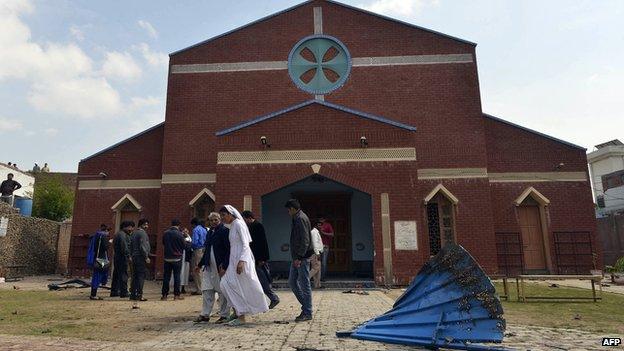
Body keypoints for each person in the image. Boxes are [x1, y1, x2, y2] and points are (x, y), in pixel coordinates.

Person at [219, 205, 269, 326]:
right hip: (234, 259)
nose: (222, 218)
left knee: (240, 286)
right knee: (226, 284)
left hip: (241, 259)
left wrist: (242, 261)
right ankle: (238, 312)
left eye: (223, 215)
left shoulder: (239, 224)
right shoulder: (232, 226)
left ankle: (241, 316)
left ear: (231, 214)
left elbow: (246, 244)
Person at [195, 212, 231, 323]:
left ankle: (224, 315)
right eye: (211, 220)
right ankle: (205, 314)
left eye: (216, 220)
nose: (214, 222)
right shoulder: (210, 232)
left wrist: (225, 265)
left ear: (219, 220)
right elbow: (207, 250)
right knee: (207, 290)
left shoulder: (224, 231)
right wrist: (200, 264)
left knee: (222, 291)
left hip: (220, 267)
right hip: (209, 266)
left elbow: (228, 250)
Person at [242, 210, 280, 309]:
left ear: (249, 218)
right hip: (254, 258)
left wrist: (262, 258)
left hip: (259, 258)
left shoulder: (257, 226)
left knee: (262, 280)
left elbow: (262, 243)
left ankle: (273, 297)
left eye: (245, 219)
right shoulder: (251, 226)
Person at [285, 199, 313, 322]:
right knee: (292, 282)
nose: (287, 212)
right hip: (296, 257)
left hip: (302, 257)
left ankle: (307, 311)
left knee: (304, 284)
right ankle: (306, 307)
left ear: (293, 208)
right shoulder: (297, 217)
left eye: (288, 210)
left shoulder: (301, 218)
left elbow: (305, 240)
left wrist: (300, 257)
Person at [162, 219, 187, 300]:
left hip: (167, 258)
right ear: (178, 225)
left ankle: (164, 295)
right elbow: (184, 246)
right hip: (177, 258)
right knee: (177, 276)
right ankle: (176, 295)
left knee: (166, 277)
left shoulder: (166, 233)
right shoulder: (180, 234)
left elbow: (163, 243)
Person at [110, 221, 134, 298]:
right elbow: (124, 247)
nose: (131, 229)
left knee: (116, 274)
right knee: (124, 275)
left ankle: (114, 291)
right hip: (122, 258)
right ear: (125, 227)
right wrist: (128, 256)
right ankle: (124, 292)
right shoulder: (123, 235)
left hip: (117, 257)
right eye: (130, 227)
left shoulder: (118, 234)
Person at [86, 225, 110, 300]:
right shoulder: (103, 237)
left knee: (95, 276)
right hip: (101, 259)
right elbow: (105, 247)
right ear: (106, 230)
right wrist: (109, 242)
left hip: (95, 258)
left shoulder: (95, 236)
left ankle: (93, 293)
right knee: (98, 276)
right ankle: (93, 294)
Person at [130, 218, 151, 301]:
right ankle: (139, 295)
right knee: (141, 276)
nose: (147, 226)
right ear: (141, 225)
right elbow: (142, 246)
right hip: (140, 257)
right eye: (145, 224)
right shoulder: (142, 233)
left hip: (134, 257)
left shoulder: (134, 233)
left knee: (134, 276)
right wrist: (146, 257)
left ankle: (132, 294)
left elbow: (130, 245)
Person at [190, 217, 207, 295]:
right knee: (202, 269)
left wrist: (190, 246)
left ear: (193, 224)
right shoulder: (204, 229)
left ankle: (199, 289)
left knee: (196, 269)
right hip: (204, 249)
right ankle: (204, 287)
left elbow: (194, 242)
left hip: (197, 250)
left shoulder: (196, 230)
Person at [318, 215, 334, 281]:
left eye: (322, 219)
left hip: (325, 246)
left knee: (323, 262)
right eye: (320, 219)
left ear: (324, 219)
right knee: (316, 262)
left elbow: (332, 234)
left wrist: (323, 233)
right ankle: (316, 277)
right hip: (317, 246)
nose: (321, 220)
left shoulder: (328, 225)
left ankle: (323, 277)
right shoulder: (317, 225)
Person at [309, 221, 324, 289]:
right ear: (315, 225)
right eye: (319, 225)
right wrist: (317, 253)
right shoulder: (314, 232)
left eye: (321, 225)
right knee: (315, 269)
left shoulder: (317, 232)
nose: (320, 226)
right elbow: (314, 243)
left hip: (318, 252)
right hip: (315, 253)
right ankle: (302, 281)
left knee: (318, 270)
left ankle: (317, 285)